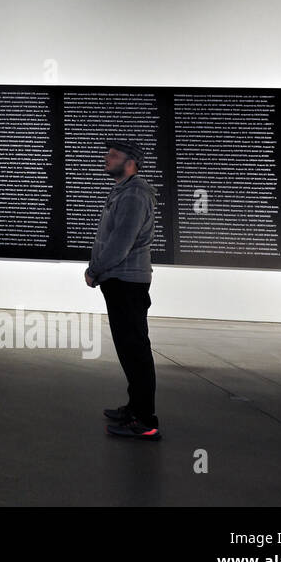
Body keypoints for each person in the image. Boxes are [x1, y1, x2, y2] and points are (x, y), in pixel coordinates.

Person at [85, 140, 160, 439]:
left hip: (126, 281)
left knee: (136, 350)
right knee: (129, 350)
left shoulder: (134, 195)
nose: (107, 158)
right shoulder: (124, 191)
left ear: (131, 162)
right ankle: (135, 407)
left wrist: (95, 270)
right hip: (121, 281)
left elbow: (121, 243)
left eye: (114, 155)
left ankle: (145, 420)